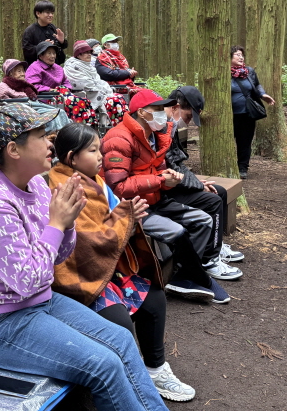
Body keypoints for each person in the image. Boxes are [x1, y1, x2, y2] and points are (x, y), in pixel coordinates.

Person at [0, 103, 169, 411]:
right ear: (14, 149)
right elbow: (26, 280)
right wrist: (56, 224)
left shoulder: (37, 183)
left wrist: (68, 224)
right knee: (103, 365)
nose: (50, 142)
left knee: (120, 340)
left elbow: (59, 256)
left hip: (38, 299)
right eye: (40, 135)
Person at [49, 123, 195, 402]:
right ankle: (127, 382)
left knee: (154, 299)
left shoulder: (95, 179)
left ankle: (155, 369)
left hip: (106, 267)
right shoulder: (63, 186)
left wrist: (128, 214)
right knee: (119, 326)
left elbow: (110, 216)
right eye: (93, 151)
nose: (101, 156)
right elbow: (84, 240)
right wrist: (125, 217)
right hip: (80, 276)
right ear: (71, 158)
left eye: (100, 149)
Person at [101, 89, 233, 303]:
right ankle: (201, 279)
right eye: (158, 109)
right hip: (130, 207)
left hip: (154, 199)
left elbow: (159, 174)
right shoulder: (119, 138)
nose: (164, 113)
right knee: (178, 231)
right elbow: (117, 187)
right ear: (142, 113)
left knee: (203, 220)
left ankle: (183, 278)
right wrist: (160, 180)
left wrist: (170, 180)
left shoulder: (156, 136)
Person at [167, 86, 245, 266]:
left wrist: (196, 182)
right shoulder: (163, 129)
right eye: (188, 117)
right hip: (165, 188)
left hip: (173, 182)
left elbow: (178, 164)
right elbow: (171, 166)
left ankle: (217, 244)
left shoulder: (170, 127)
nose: (188, 123)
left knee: (220, 192)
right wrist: (197, 185)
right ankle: (209, 258)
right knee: (213, 199)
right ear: (177, 107)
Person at [230, 45, 275, 179]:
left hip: (247, 114)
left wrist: (263, 95)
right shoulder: (222, 73)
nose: (241, 57)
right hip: (229, 115)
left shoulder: (249, 71)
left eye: (241, 54)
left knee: (244, 141)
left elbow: (256, 85)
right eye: (237, 54)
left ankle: (242, 167)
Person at [26, 41, 96, 126]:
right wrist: (49, 89)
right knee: (77, 103)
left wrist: (64, 89)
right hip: (47, 98)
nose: (52, 56)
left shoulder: (58, 67)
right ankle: (76, 129)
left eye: (54, 53)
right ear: (41, 56)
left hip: (62, 95)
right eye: (49, 53)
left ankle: (89, 127)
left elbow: (66, 82)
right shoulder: (34, 67)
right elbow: (32, 86)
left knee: (85, 101)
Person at [63, 40, 128, 126]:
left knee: (119, 97)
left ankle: (120, 127)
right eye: (86, 52)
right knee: (115, 101)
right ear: (78, 54)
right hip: (85, 95)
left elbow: (98, 81)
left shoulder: (89, 66)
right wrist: (104, 91)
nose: (89, 54)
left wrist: (105, 90)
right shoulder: (72, 66)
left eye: (90, 52)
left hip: (97, 92)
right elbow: (84, 84)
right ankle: (111, 127)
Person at [21, 0, 68, 65]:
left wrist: (61, 41)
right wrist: (42, 46)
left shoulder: (53, 28)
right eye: (47, 13)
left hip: (55, 67)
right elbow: (27, 52)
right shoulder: (30, 31)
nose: (51, 15)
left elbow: (61, 47)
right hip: (37, 70)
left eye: (52, 13)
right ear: (38, 14)